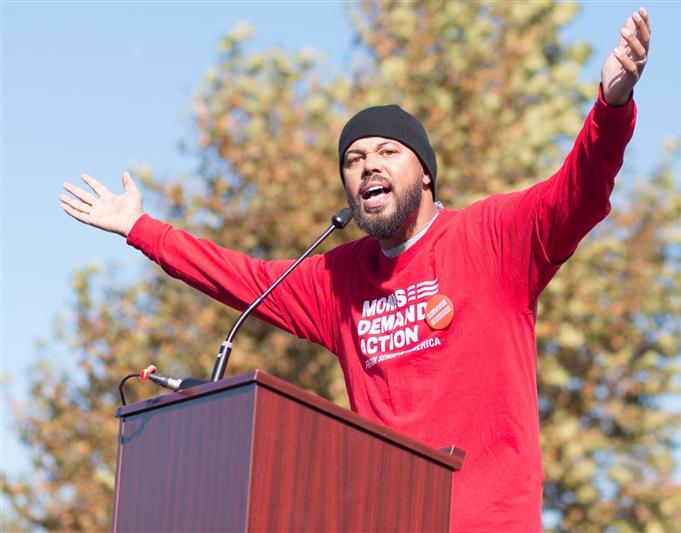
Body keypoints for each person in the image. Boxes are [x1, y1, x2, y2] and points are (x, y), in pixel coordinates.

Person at [60, 9, 651, 532]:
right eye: (353, 158)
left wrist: (613, 103)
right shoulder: (337, 279)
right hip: (382, 516)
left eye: (387, 152)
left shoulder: (492, 237)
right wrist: (140, 229)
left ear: (425, 174)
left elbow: (579, 187)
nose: (368, 165)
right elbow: (240, 278)